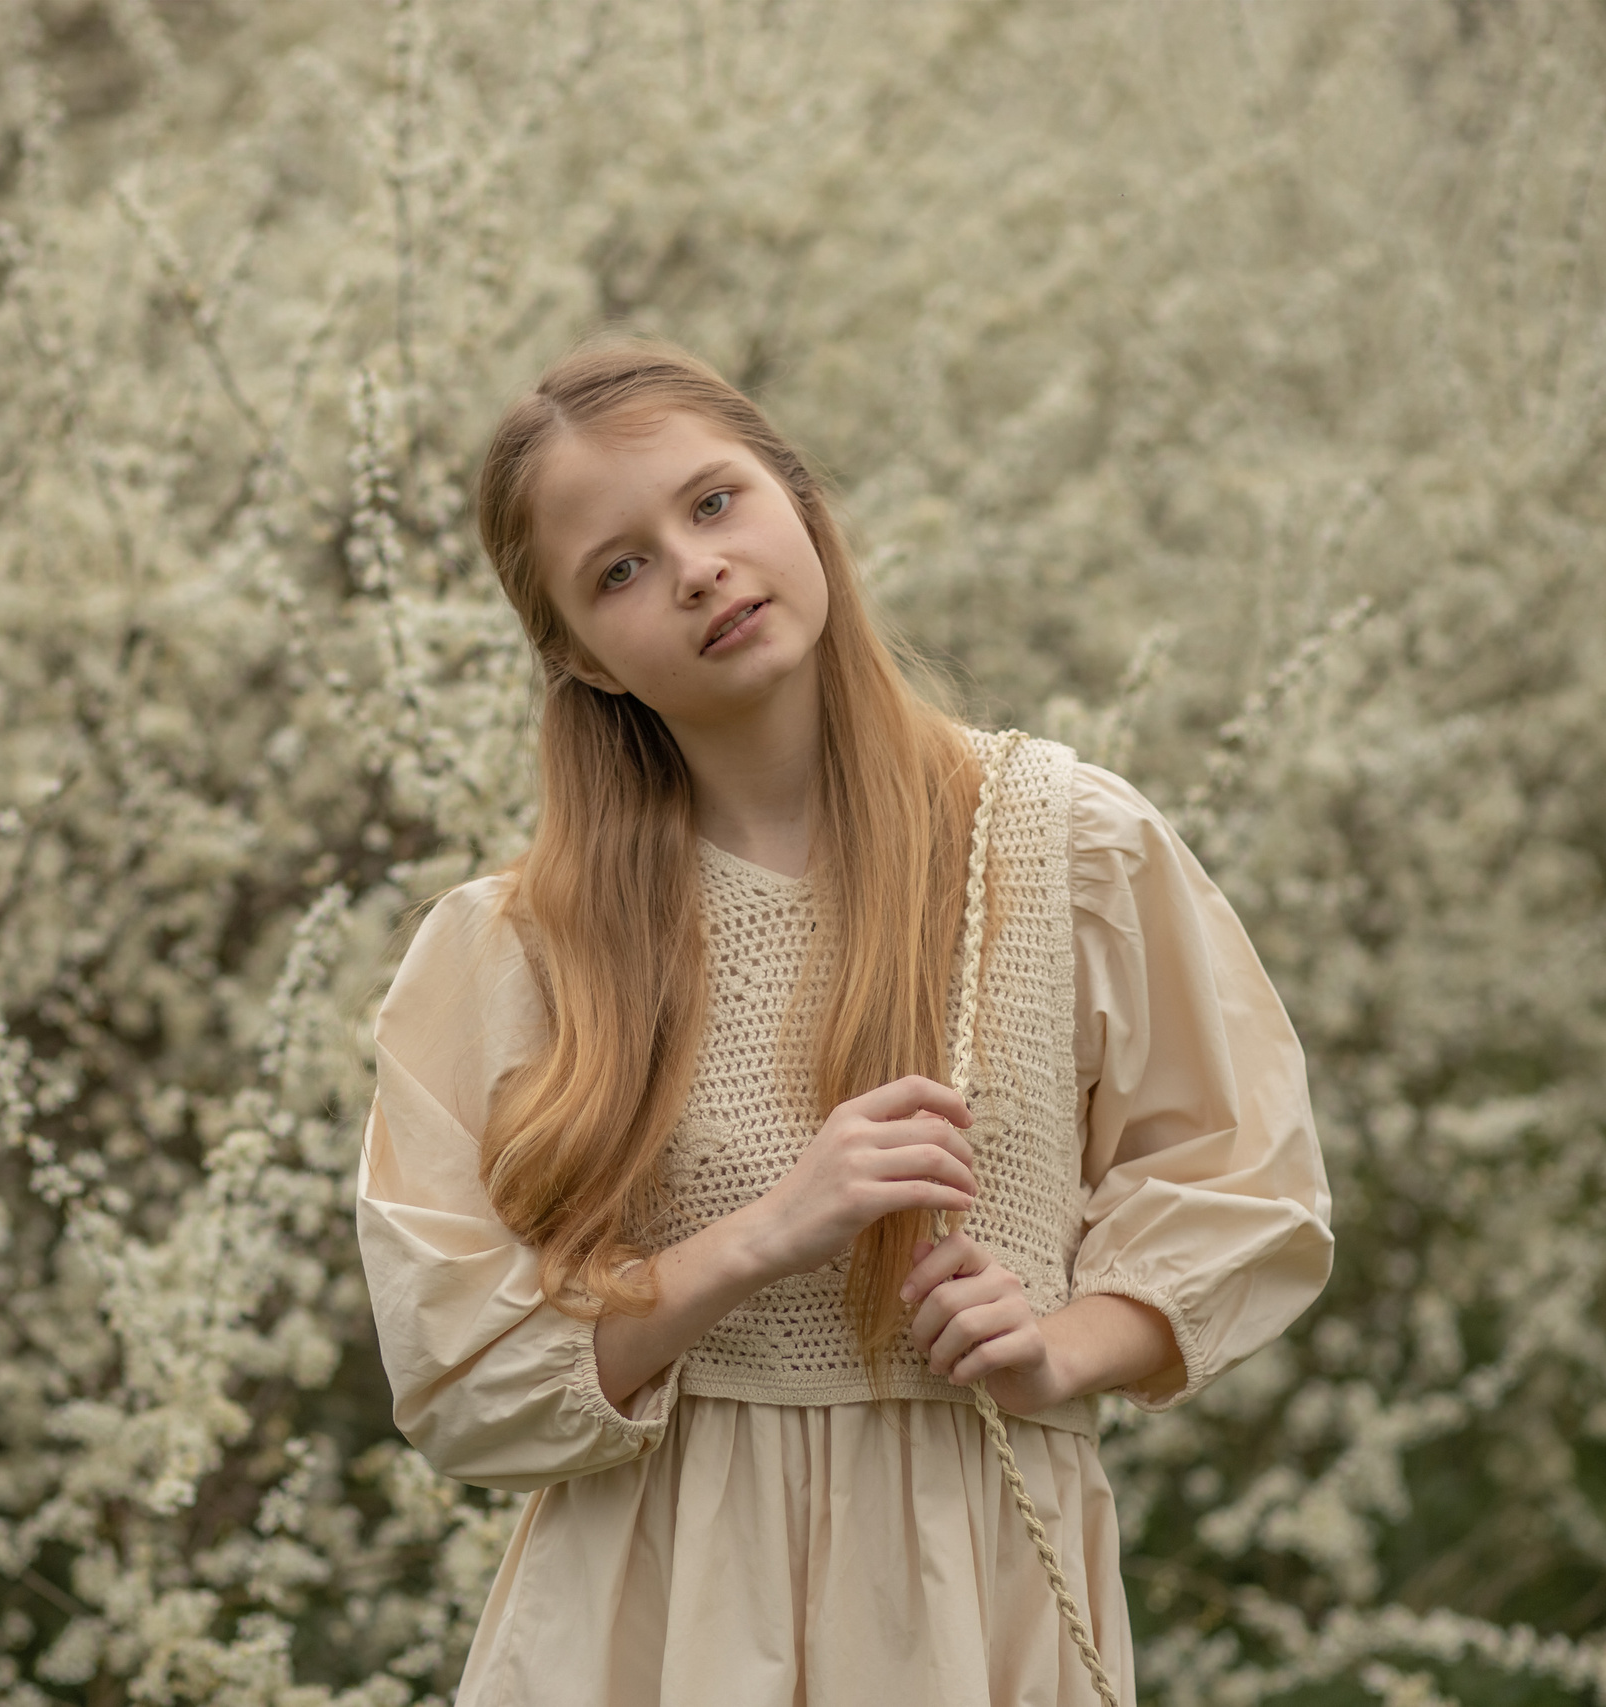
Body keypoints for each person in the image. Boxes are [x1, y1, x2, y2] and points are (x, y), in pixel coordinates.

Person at [354, 335, 1333, 1704]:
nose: (696, 568)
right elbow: (461, 1377)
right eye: (618, 570)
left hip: (968, 1592)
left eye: (713, 503)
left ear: (799, 502)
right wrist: (764, 1236)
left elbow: (1246, 1192)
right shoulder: (515, 950)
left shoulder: (1061, 845)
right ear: (582, 659)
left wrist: (1059, 1348)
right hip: (654, 1617)